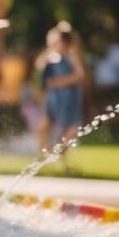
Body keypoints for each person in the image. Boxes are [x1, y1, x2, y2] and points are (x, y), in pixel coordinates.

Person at [35, 22, 85, 157]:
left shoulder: (71, 54)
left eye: (60, 40)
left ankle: (60, 156)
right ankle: (45, 155)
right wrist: (50, 50)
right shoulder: (52, 56)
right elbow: (39, 65)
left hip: (69, 97)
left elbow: (80, 74)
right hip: (54, 97)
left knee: (69, 130)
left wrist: (61, 82)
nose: (58, 43)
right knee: (43, 126)